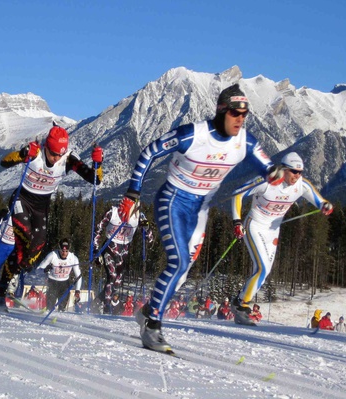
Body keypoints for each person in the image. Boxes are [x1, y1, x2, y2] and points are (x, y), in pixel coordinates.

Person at [122, 83, 284, 353]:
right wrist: (133, 192)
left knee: (184, 270)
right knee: (179, 261)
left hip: (201, 208)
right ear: (222, 111)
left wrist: (274, 173)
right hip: (173, 199)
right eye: (235, 113)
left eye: (245, 115)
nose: (240, 120)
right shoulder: (193, 134)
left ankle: (149, 310)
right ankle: (152, 327)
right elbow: (149, 152)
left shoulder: (245, 141)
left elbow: (268, 166)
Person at [0, 125, 103, 312]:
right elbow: (4, 162)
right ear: (46, 147)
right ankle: (0, 294)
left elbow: (95, 179)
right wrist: (23, 154)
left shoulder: (68, 160)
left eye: (60, 154)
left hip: (41, 206)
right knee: (23, 241)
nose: (56, 158)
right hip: (22, 199)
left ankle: (17, 270)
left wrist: (98, 164)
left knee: (36, 248)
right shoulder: (35, 153)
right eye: (53, 154)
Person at [230, 152, 333, 324]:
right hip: (254, 224)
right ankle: (242, 306)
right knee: (262, 269)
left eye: (300, 172)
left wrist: (325, 206)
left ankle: (239, 301)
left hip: (273, 231)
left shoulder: (301, 184)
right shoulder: (267, 182)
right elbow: (237, 194)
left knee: (264, 272)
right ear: (283, 169)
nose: (297, 175)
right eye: (293, 171)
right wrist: (236, 222)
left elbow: (319, 200)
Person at [93, 206, 153, 313]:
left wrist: (147, 232)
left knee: (117, 281)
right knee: (112, 276)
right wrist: (96, 250)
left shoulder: (138, 216)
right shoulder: (113, 212)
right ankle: (107, 305)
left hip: (123, 252)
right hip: (109, 248)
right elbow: (98, 229)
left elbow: (149, 234)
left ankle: (98, 300)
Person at [36, 238, 82, 312]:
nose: (64, 253)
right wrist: (45, 269)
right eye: (62, 251)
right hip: (52, 283)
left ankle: (59, 318)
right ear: (59, 249)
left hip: (65, 284)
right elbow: (38, 270)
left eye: (66, 251)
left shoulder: (73, 258)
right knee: (49, 308)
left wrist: (77, 290)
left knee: (62, 309)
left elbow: (78, 276)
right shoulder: (52, 255)